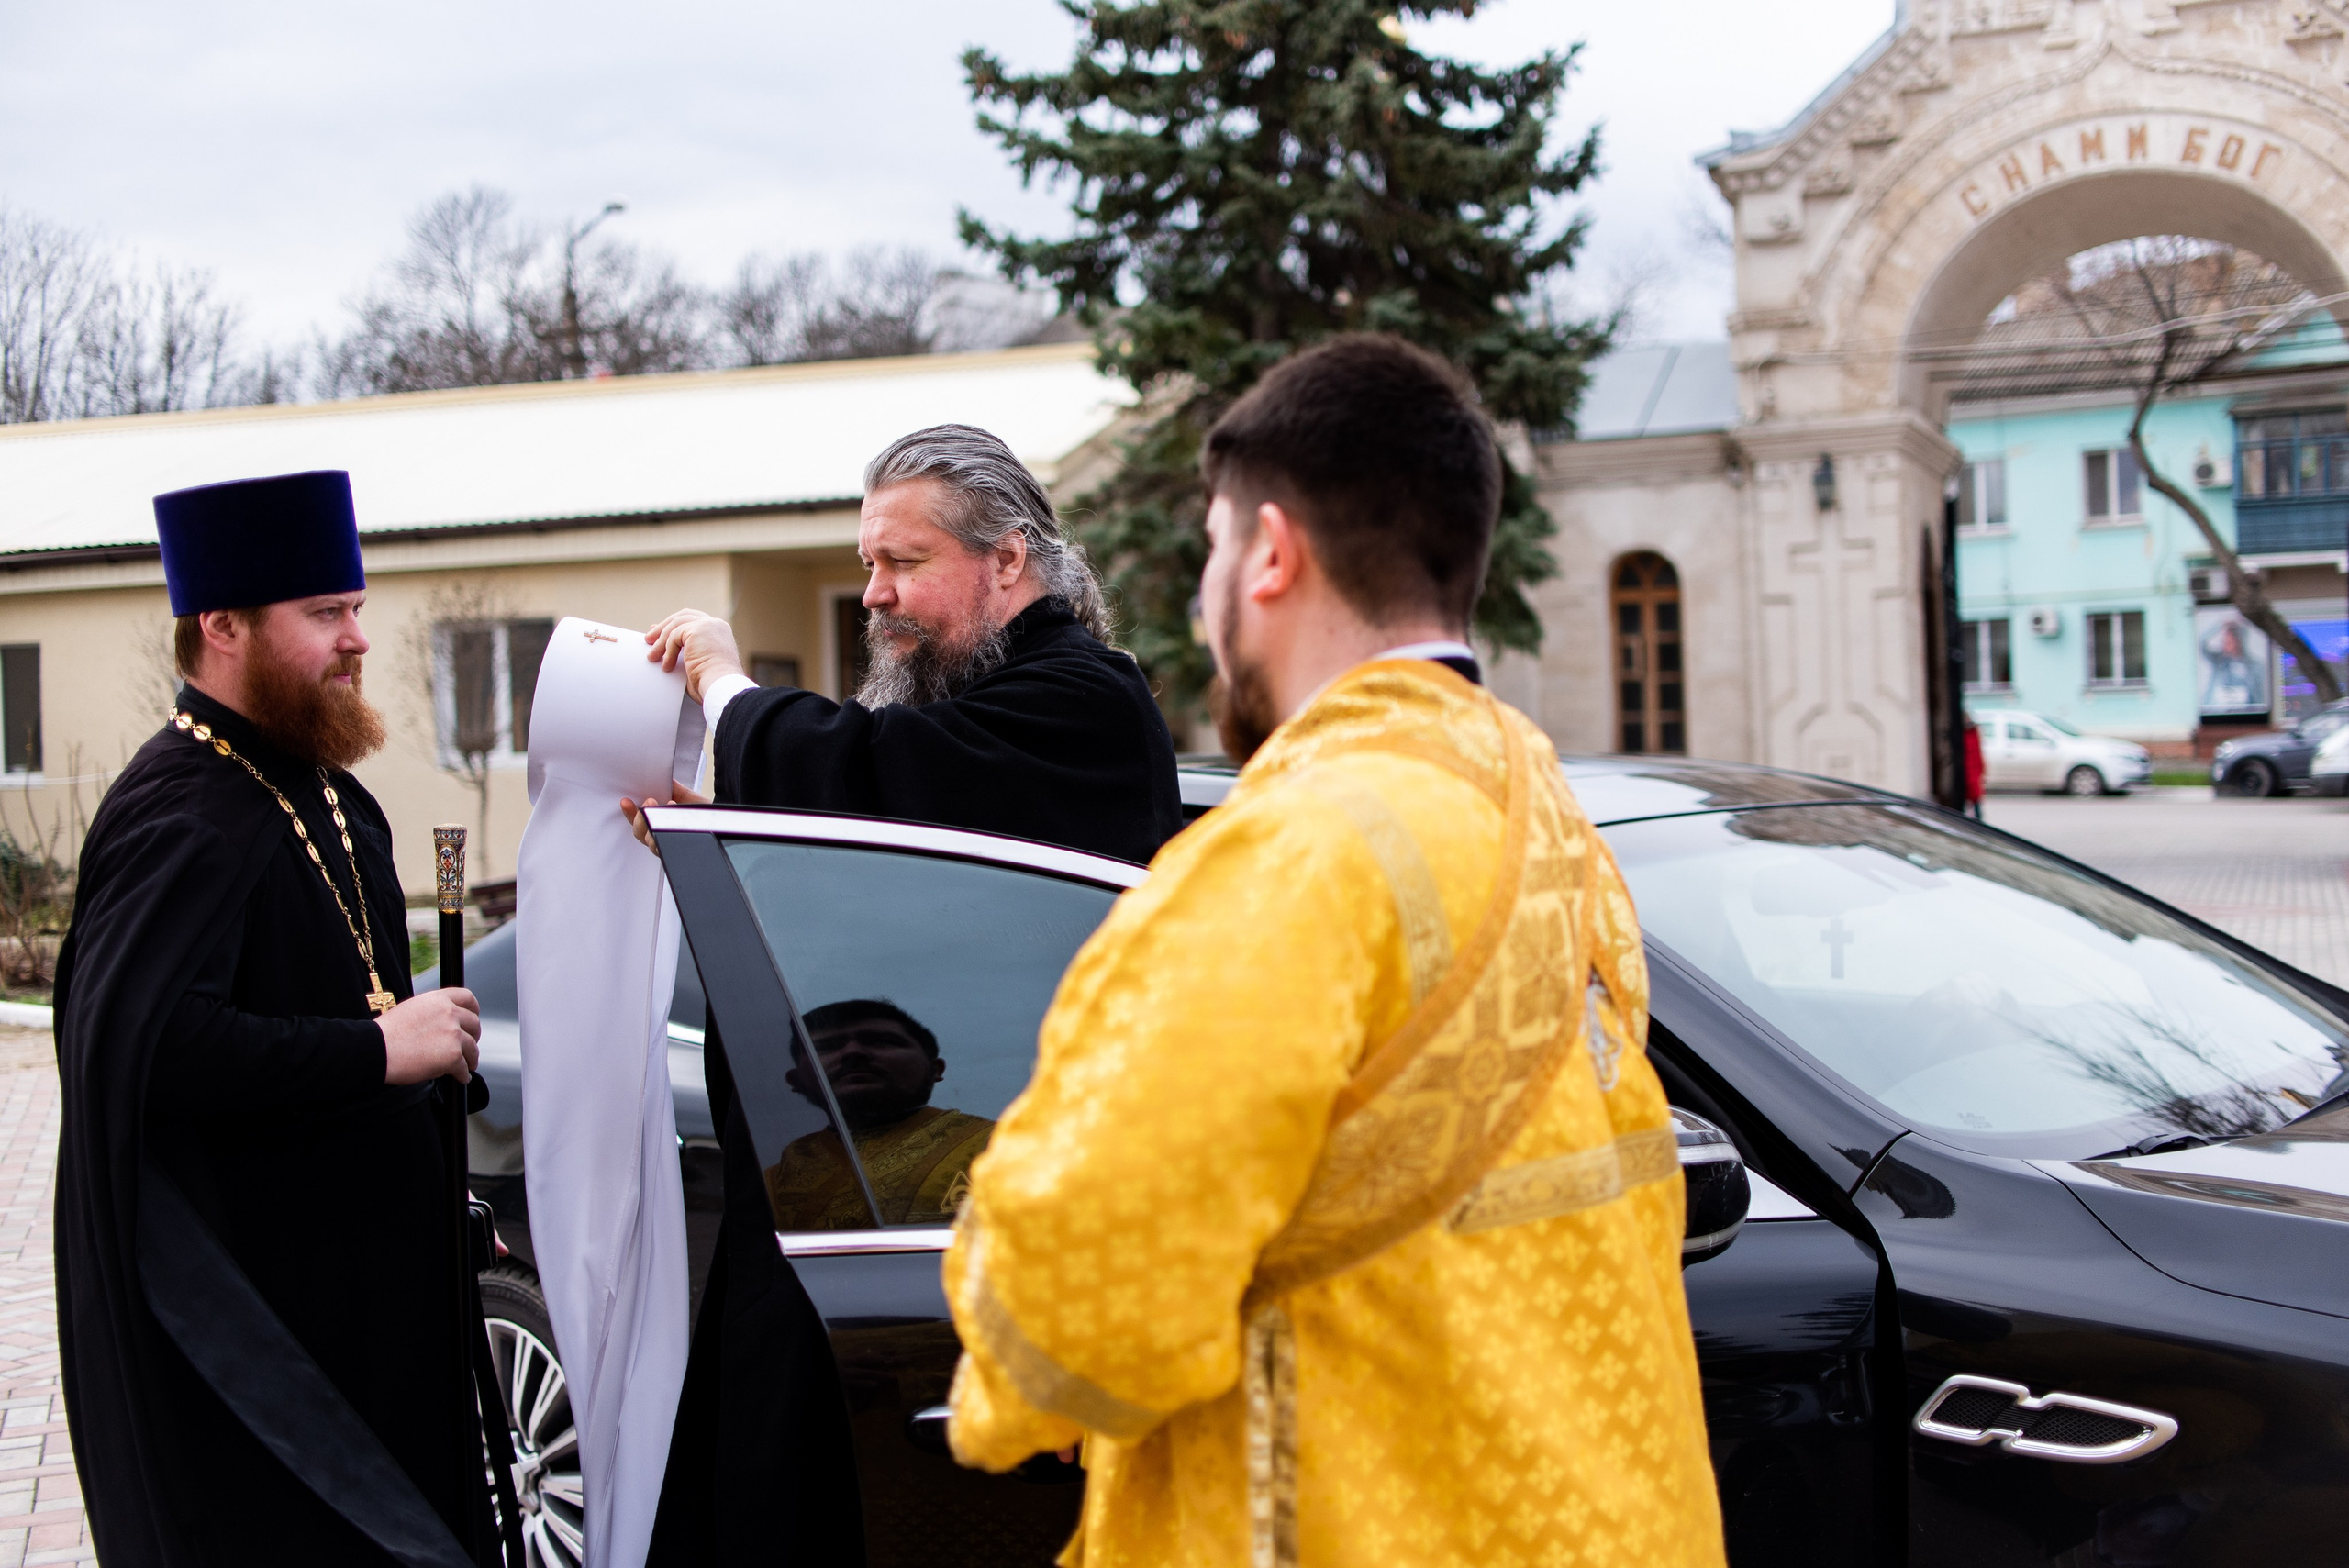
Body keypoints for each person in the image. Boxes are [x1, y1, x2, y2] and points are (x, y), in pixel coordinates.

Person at [941, 337, 1727, 1566]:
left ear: (1271, 552)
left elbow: (1072, 1296)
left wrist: (1019, 1378)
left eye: (1211, 546)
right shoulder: (1546, 810)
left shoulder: (1294, 855)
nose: (1204, 598)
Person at [53, 471, 498, 1567]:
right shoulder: (180, 811)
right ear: (223, 626)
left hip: (375, 1302)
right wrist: (380, 1050)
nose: (357, 638)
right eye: (325, 614)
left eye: (355, 606)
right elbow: (146, 1048)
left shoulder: (336, 797)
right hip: (259, 1326)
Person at [628, 422, 1183, 864]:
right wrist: (731, 839)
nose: (872, 595)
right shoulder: (975, 686)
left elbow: (873, 766)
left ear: (1007, 559)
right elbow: (895, 861)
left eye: (905, 562)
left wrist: (722, 681)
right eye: (870, 565)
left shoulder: (1083, 697)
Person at [764, 999, 995, 1229]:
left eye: (882, 1042)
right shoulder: (773, 1178)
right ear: (796, 1081)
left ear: (934, 1069)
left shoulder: (1002, 1146)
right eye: (825, 1047)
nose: (853, 1052)